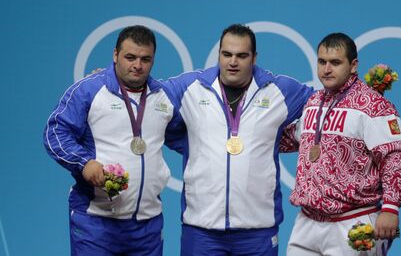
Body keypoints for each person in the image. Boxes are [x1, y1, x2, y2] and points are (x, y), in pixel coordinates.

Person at [163, 23, 313, 256]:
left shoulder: (278, 90)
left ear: (254, 57)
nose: (233, 62)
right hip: (201, 229)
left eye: (242, 56)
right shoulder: (190, 88)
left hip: (258, 231)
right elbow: (146, 98)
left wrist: (366, 95)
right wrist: (102, 80)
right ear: (219, 54)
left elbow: (325, 102)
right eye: (227, 54)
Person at [43, 25, 184, 256]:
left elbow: (187, 137)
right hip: (96, 223)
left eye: (145, 59)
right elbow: (56, 133)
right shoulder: (89, 90)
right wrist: (84, 163)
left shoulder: (163, 97)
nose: (137, 65)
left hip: (147, 224)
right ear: (115, 55)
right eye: (130, 57)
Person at [281, 33, 401, 256]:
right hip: (307, 221)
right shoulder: (314, 102)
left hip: (353, 222)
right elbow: (293, 138)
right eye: (322, 62)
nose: (327, 69)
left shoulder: (373, 106)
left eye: (335, 62)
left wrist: (391, 207)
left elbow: (394, 158)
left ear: (353, 65)